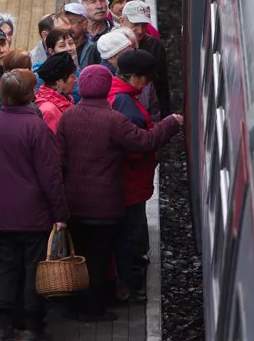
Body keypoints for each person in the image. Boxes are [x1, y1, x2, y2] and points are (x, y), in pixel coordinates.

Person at [55, 66, 182, 319]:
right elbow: (145, 142)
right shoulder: (114, 120)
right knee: (100, 257)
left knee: (79, 255)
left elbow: (60, 160)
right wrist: (169, 124)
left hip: (74, 202)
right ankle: (94, 310)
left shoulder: (68, 117)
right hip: (105, 204)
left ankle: (77, 307)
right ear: (104, 88)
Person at [0, 70, 68, 341]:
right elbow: (50, 175)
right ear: (30, 95)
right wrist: (60, 214)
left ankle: (2, 326)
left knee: (7, 267)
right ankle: (33, 327)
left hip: (2, 213)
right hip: (33, 214)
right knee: (33, 268)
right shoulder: (37, 127)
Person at [108, 50, 164, 301]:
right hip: (131, 184)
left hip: (126, 183)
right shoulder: (126, 105)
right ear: (139, 78)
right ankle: (127, 286)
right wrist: (165, 128)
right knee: (129, 235)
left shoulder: (116, 93)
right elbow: (134, 148)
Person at [121, 0, 170, 115]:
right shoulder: (109, 44)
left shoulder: (155, 46)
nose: (141, 30)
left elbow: (162, 85)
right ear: (122, 21)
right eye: (135, 24)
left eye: (144, 25)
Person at [34, 52, 77, 132]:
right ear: (59, 82)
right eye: (72, 76)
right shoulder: (48, 111)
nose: (76, 80)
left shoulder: (66, 99)